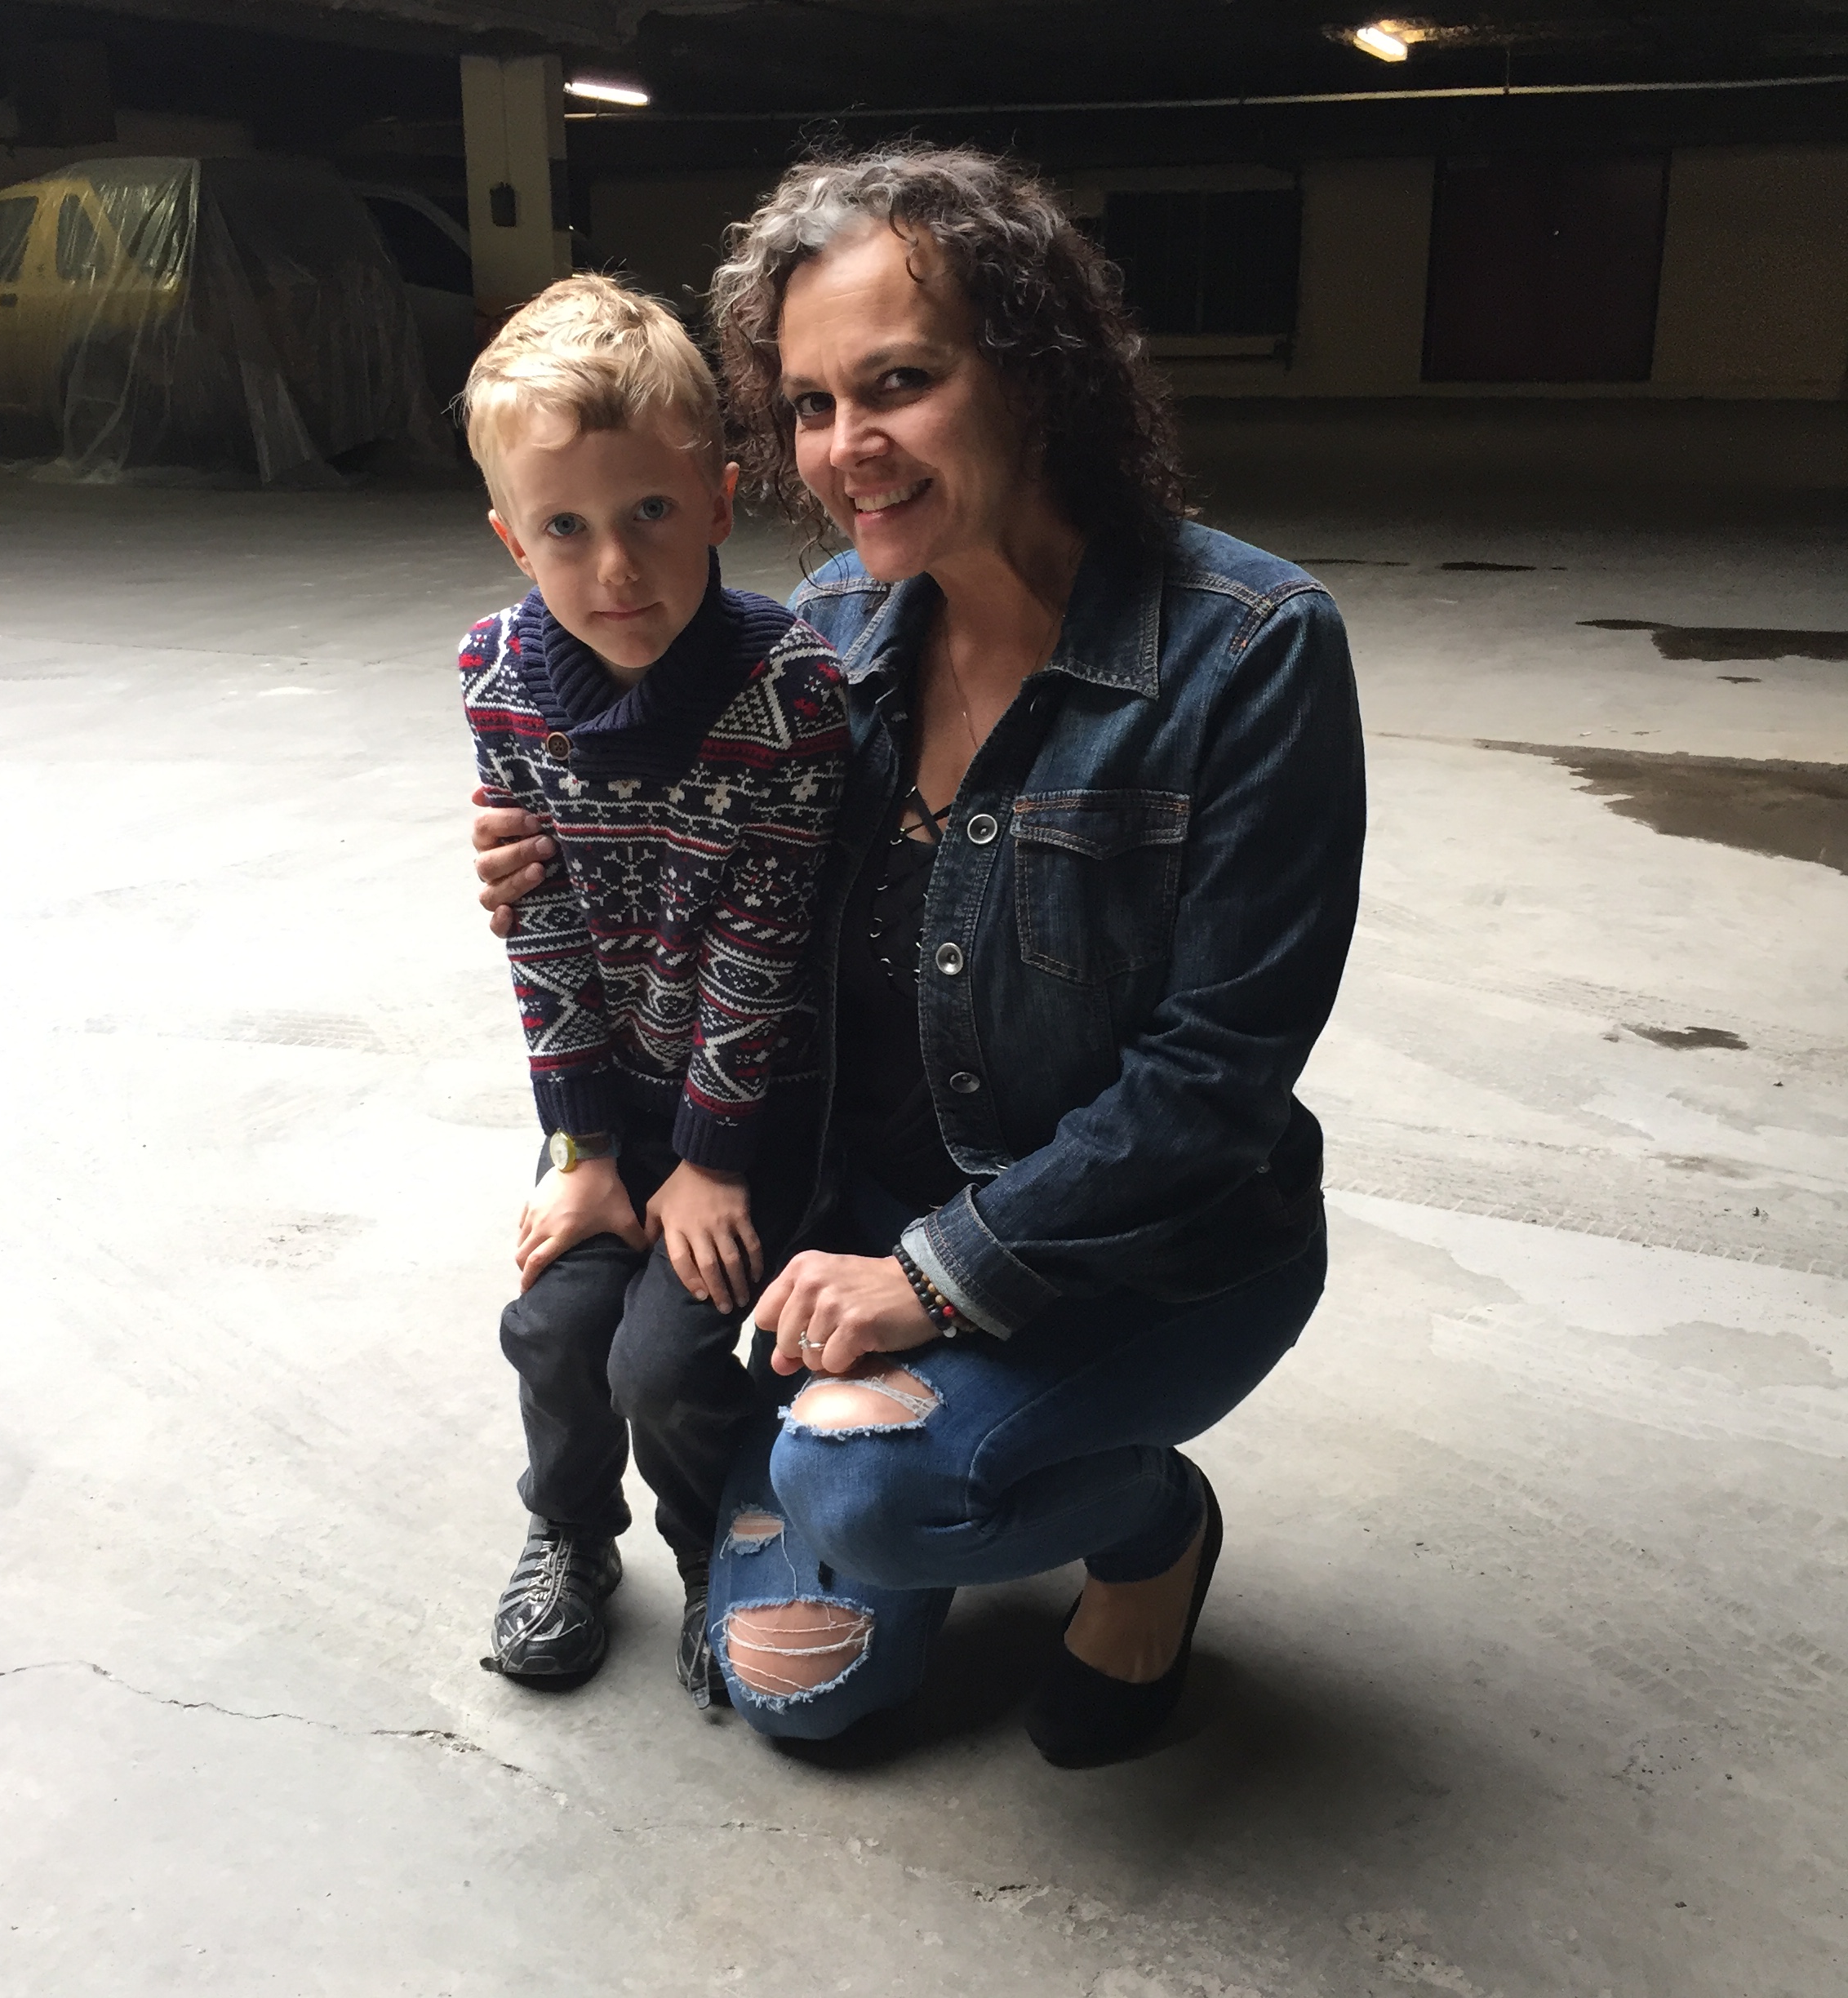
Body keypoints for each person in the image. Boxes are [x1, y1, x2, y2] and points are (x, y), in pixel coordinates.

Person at [473, 149, 1364, 1767]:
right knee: (797, 1692)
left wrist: (927, 1280)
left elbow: (1215, 1080)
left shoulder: (1250, 651)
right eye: (811, 405)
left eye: (899, 383)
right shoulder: (826, 635)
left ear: (1033, 370)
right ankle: (907, 1465)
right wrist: (548, 858)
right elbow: (679, 864)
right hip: (860, 1218)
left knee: (867, 1491)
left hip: (1143, 1256)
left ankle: (1147, 1524)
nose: (846, 449)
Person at [458, 275, 847, 1707]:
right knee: (554, 1325)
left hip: (752, 1104)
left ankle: (713, 1542)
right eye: (565, 528)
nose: (615, 566)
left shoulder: (790, 690)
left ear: (720, 498)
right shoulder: (496, 674)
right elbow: (539, 922)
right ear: (514, 538)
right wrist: (583, 1148)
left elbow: (764, 943)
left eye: (651, 513)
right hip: (608, 1101)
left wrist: (712, 1160)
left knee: (665, 1364)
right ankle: (570, 1535)